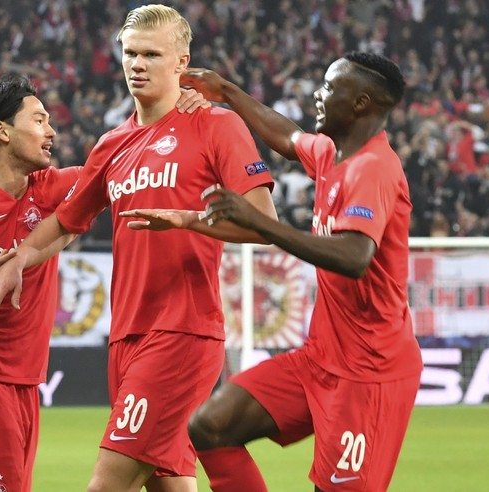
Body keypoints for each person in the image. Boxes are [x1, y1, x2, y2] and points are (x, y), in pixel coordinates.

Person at [0, 5, 277, 491]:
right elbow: (67, 221)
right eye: (130, 52)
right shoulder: (112, 144)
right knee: (167, 483)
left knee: (107, 484)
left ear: (182, 62)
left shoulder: (216, 125)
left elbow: (265, 224)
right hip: (127, 336)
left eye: (151, 54)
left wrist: (189, 219)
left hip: (183, 332)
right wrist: (20, 258)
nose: (136, 63)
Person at [0, 73, 206, 491]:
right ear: (3, 131)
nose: (51, 131)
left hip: (25, 388)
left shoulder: (53, 189)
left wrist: (172, 106)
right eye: (38, 120)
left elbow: (123, 159)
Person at [175, 52, 423, 491]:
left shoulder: (372, 170)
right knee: (210, 427)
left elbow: (353, 256)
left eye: (330, 87)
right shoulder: (332, 154)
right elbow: (288, 138)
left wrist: (260, 222)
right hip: (320, 358)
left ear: (361, 103)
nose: (317, 94)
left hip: (369, 374)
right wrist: (226, 91)